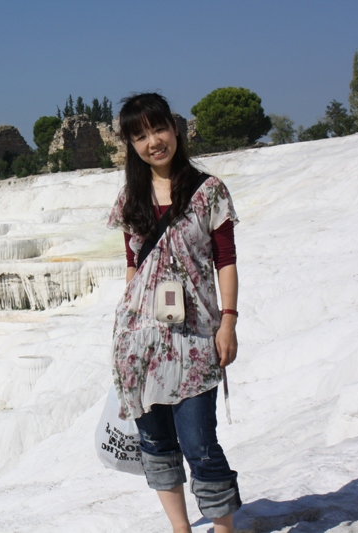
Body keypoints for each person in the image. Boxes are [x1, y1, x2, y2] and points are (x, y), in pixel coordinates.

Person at [106, 93, 242, 532]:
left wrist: (229, 321)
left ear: (175, 129)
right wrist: (126, 330)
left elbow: (226, 259)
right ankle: (180, 528)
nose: (153, 142)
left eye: (158, 129)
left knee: (200, 442)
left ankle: (223, 528)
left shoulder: (208, 191)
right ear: (131, 144)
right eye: (140, 135)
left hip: (197, 336)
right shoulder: (132, 197)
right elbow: (131, 262)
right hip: (141, 341)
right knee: (157, 442)